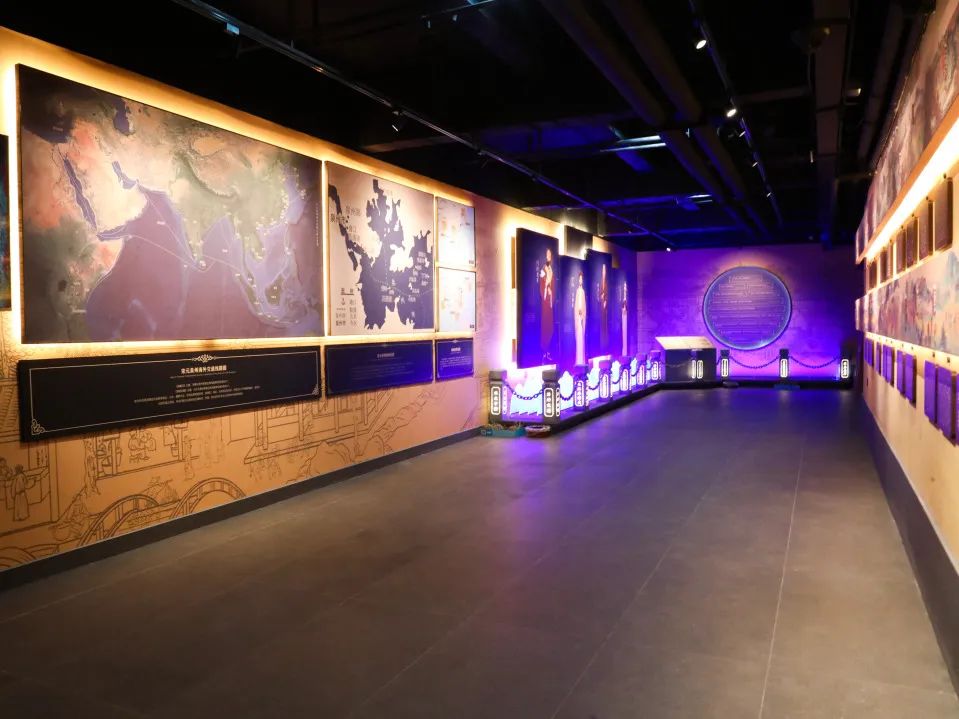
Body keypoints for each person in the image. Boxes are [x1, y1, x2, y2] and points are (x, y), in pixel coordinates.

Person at [539, 248, 555, 362]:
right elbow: (541, 284)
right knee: (544, 326)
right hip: (545, 303)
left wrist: (551, 291)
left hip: (550, 302)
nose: (548, 257)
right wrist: (546, 288)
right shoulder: (543, 270)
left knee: (550, 327)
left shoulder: (551, 271)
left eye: (550, 255)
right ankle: (544, 351)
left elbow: (553, 286)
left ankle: (548, 351)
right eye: (547, 255)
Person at [575, 271, 587, 365]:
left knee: (581, 338)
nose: (580, 281)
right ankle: (578, 360)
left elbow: (584, 306)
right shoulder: (578, 291)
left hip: (581, 318)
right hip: (578, 318)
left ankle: (582, 360)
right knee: (578, 338)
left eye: (581, 279)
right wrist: (578, 313)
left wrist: (582, 314)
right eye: (579, 279)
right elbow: (576, 306)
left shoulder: (582, 291)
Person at [599, 264, 609, 353]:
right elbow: (600, 294)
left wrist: (605, 300)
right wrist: (601, 297)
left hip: (605, 310)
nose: (604, 272)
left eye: (605, 270)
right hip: (601, 310)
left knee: (605, 328)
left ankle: (605, 345)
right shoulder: (600, 282)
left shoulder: (606, 283)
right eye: (603, 270)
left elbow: (607, 295)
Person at [621, 281, 629, 357]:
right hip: (623, 319)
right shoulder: (623, 302)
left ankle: (625, 352)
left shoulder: (626, 302)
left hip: (625, 319)